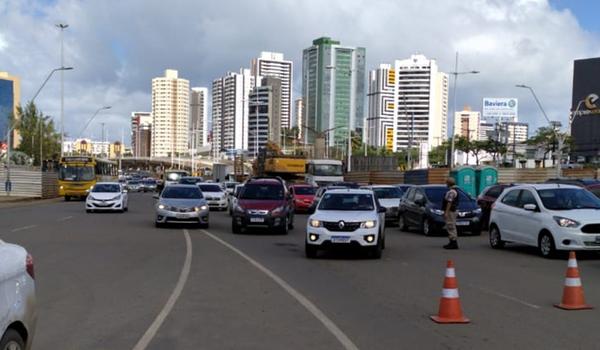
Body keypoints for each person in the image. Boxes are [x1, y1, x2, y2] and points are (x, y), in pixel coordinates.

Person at [442, 177, 460, 250]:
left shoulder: (452, 192)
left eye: (446, 182)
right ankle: (451, 242)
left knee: (450, 226)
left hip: (451, 211)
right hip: (453, 210)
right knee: (450, 225)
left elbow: (449, 202)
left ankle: (453, 243)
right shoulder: (455, 190)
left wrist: (446, 212)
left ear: (448, 183)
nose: (445, 184)